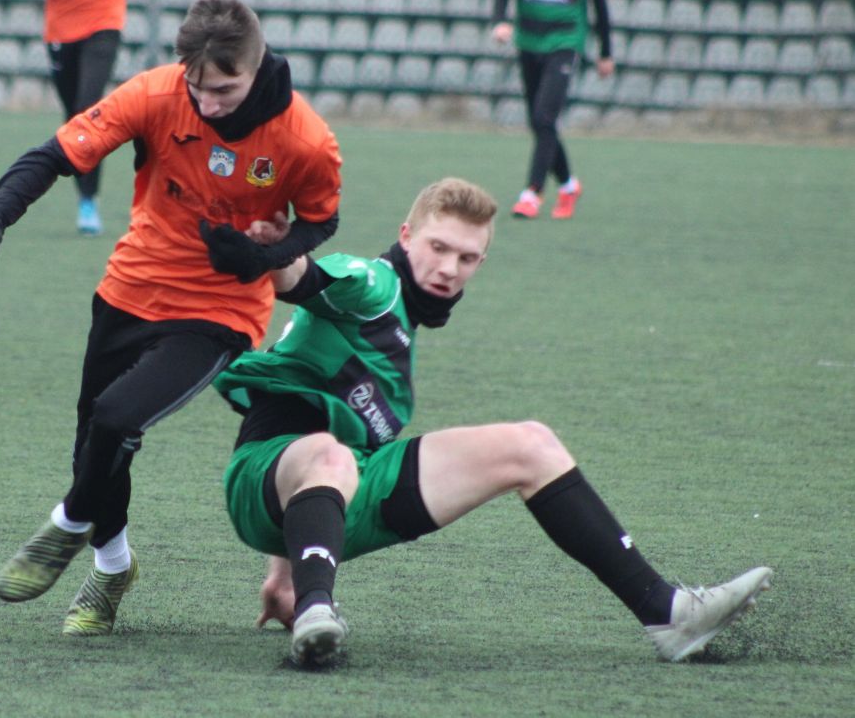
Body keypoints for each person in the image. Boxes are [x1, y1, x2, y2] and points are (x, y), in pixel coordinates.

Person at [215, 178, 772, 666]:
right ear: (406, 236)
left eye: (466, 258)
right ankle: (318, 610)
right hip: (258, 480)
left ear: (480, 263)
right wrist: (278, 250)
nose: (448, 268)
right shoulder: (374, 285)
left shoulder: (403, 322)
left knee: (532, 445)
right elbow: (302, 279)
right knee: (329, 452)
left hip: (347, 485)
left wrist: (282, 577)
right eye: (438, 247)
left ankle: (667, 613)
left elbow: (325, 453)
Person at [0, 0, 344, 636]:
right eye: (197, 86)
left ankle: (69, 521)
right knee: (94, 444)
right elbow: (53, 156)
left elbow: (320, 222)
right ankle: (113, 569)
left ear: (255, 66)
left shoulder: (305, 139)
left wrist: (262, 254)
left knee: (117, 417)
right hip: (128, 290)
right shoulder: (156, 94)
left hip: (220, 311)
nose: (207, 102)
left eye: (224, 90)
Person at [18, 0, 142, 235]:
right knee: (73, 114)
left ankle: (90, 202)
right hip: (61, 29)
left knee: (90, 107)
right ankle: (83, 191)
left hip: (105, 22)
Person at [489, 0, 615, 220]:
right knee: (539, 121)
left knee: (544, 117)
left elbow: (600, 3)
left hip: (565, 42)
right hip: (528, 41)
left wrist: (606, 52)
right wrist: (500, 22)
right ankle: (569, 184)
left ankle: (532, 192)